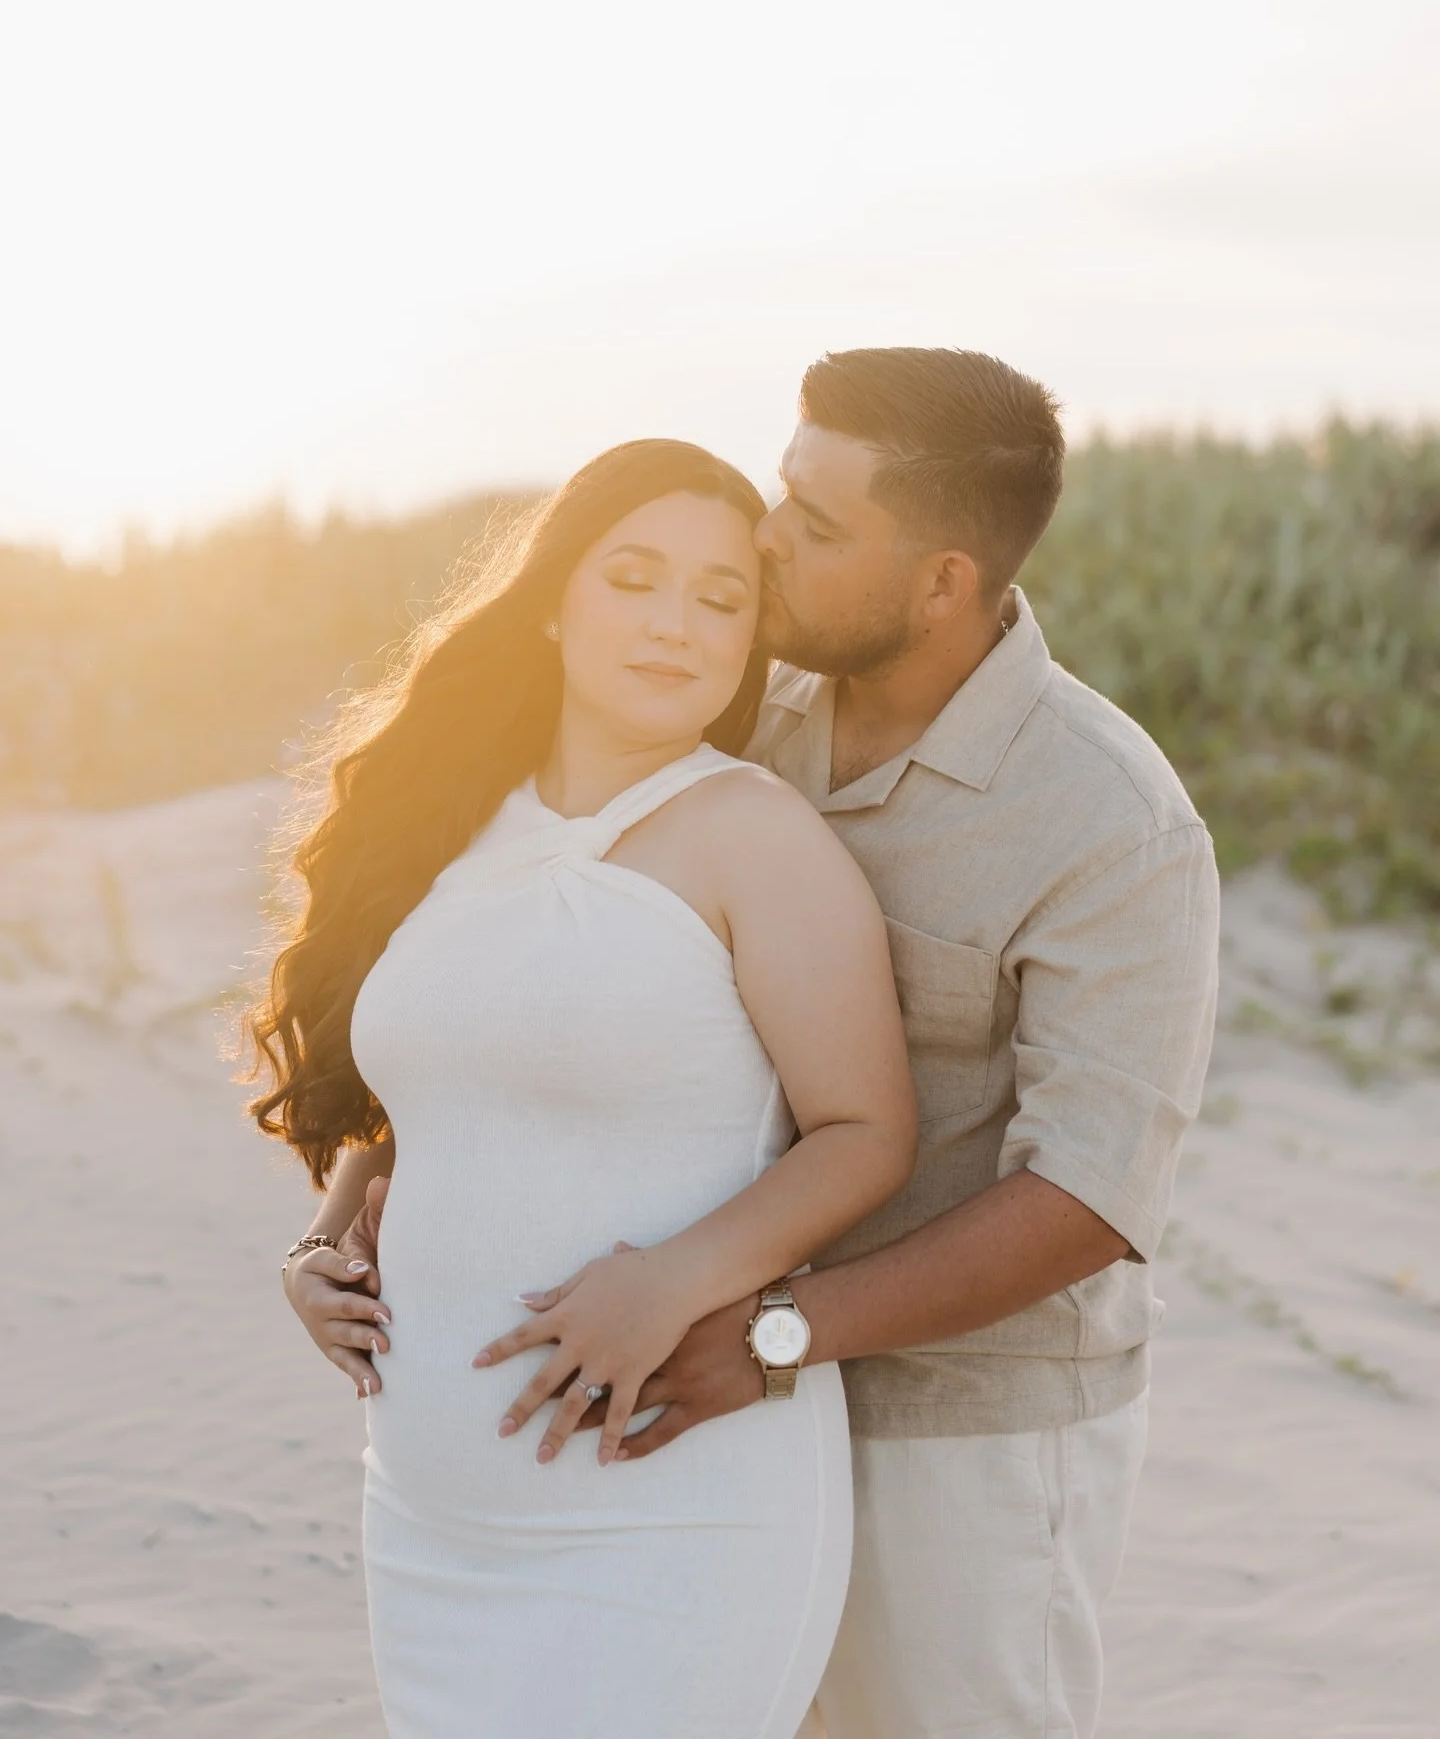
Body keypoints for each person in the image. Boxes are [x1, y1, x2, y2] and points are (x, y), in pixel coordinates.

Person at [294, 347, 1222, 1739]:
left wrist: (774, 1335)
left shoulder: (1107, 820)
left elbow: (1089, 1198)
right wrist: (354, 1211)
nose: (764, 543)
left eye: (816, 527)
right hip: (676, 1394)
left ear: (943, 581)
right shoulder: (735, 710)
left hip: (955, 1422)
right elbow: (538, 1005)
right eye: (784, 495)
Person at [250, 439, 919, 1739]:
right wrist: (322, 1244)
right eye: (636, 578)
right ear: (556, 599)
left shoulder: (754, 834)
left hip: (672, 1514)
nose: (676, 624)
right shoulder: (449, 828)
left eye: (722, 600)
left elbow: (866, 1134)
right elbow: (426, 1100)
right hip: (431, 1521)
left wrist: (676, 1279)